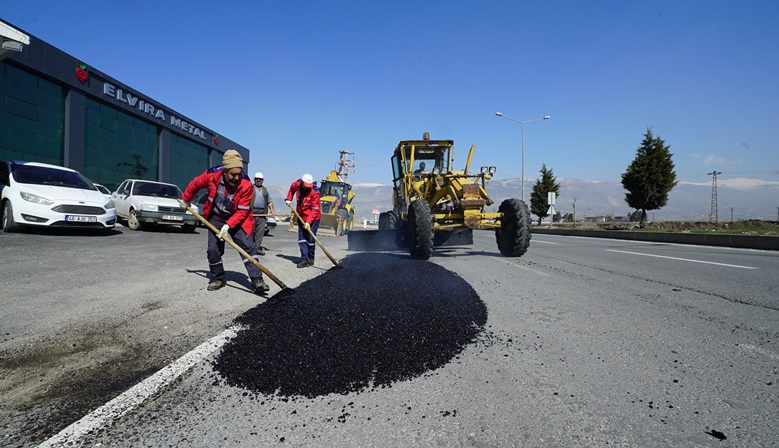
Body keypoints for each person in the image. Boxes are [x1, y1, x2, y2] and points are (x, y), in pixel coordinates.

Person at [179, 150, 269, 294]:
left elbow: (242, 211)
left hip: (239, 220)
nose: (236, 177)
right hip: (216, 218)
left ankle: (257, 280)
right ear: (225, 170)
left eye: (239, 173)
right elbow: (195, 184)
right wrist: (185, 199)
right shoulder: (212, 175)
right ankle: (218, 278)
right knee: (213, 250)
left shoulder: (246, 184)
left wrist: (228, 225)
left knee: (248, 247)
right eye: (233, 174)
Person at [285, 173, 321, 268]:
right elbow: (291, 189)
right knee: (302, 238)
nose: (307, 188)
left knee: (310, 238)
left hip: (313, 218)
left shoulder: (315, 192)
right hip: (301, 216)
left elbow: (315, 210)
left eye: (309, 186)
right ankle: (304, 259)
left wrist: (308, 222)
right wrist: (289, 199)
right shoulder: (296, 184)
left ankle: (311, 258)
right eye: (306, 186)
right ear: (301, 183)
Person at [251, 172, 277, 256]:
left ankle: (257, 248)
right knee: (251, 231)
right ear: (254, 179)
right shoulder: (250, 188)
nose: (258, 180)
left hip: (262, 214)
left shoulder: (265, 190)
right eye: (256, 179)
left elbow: (269, 201)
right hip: (252, 213)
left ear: (263, 180)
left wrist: (272, 210)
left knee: (260, 232)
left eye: (260, 179)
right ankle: (250, 248)